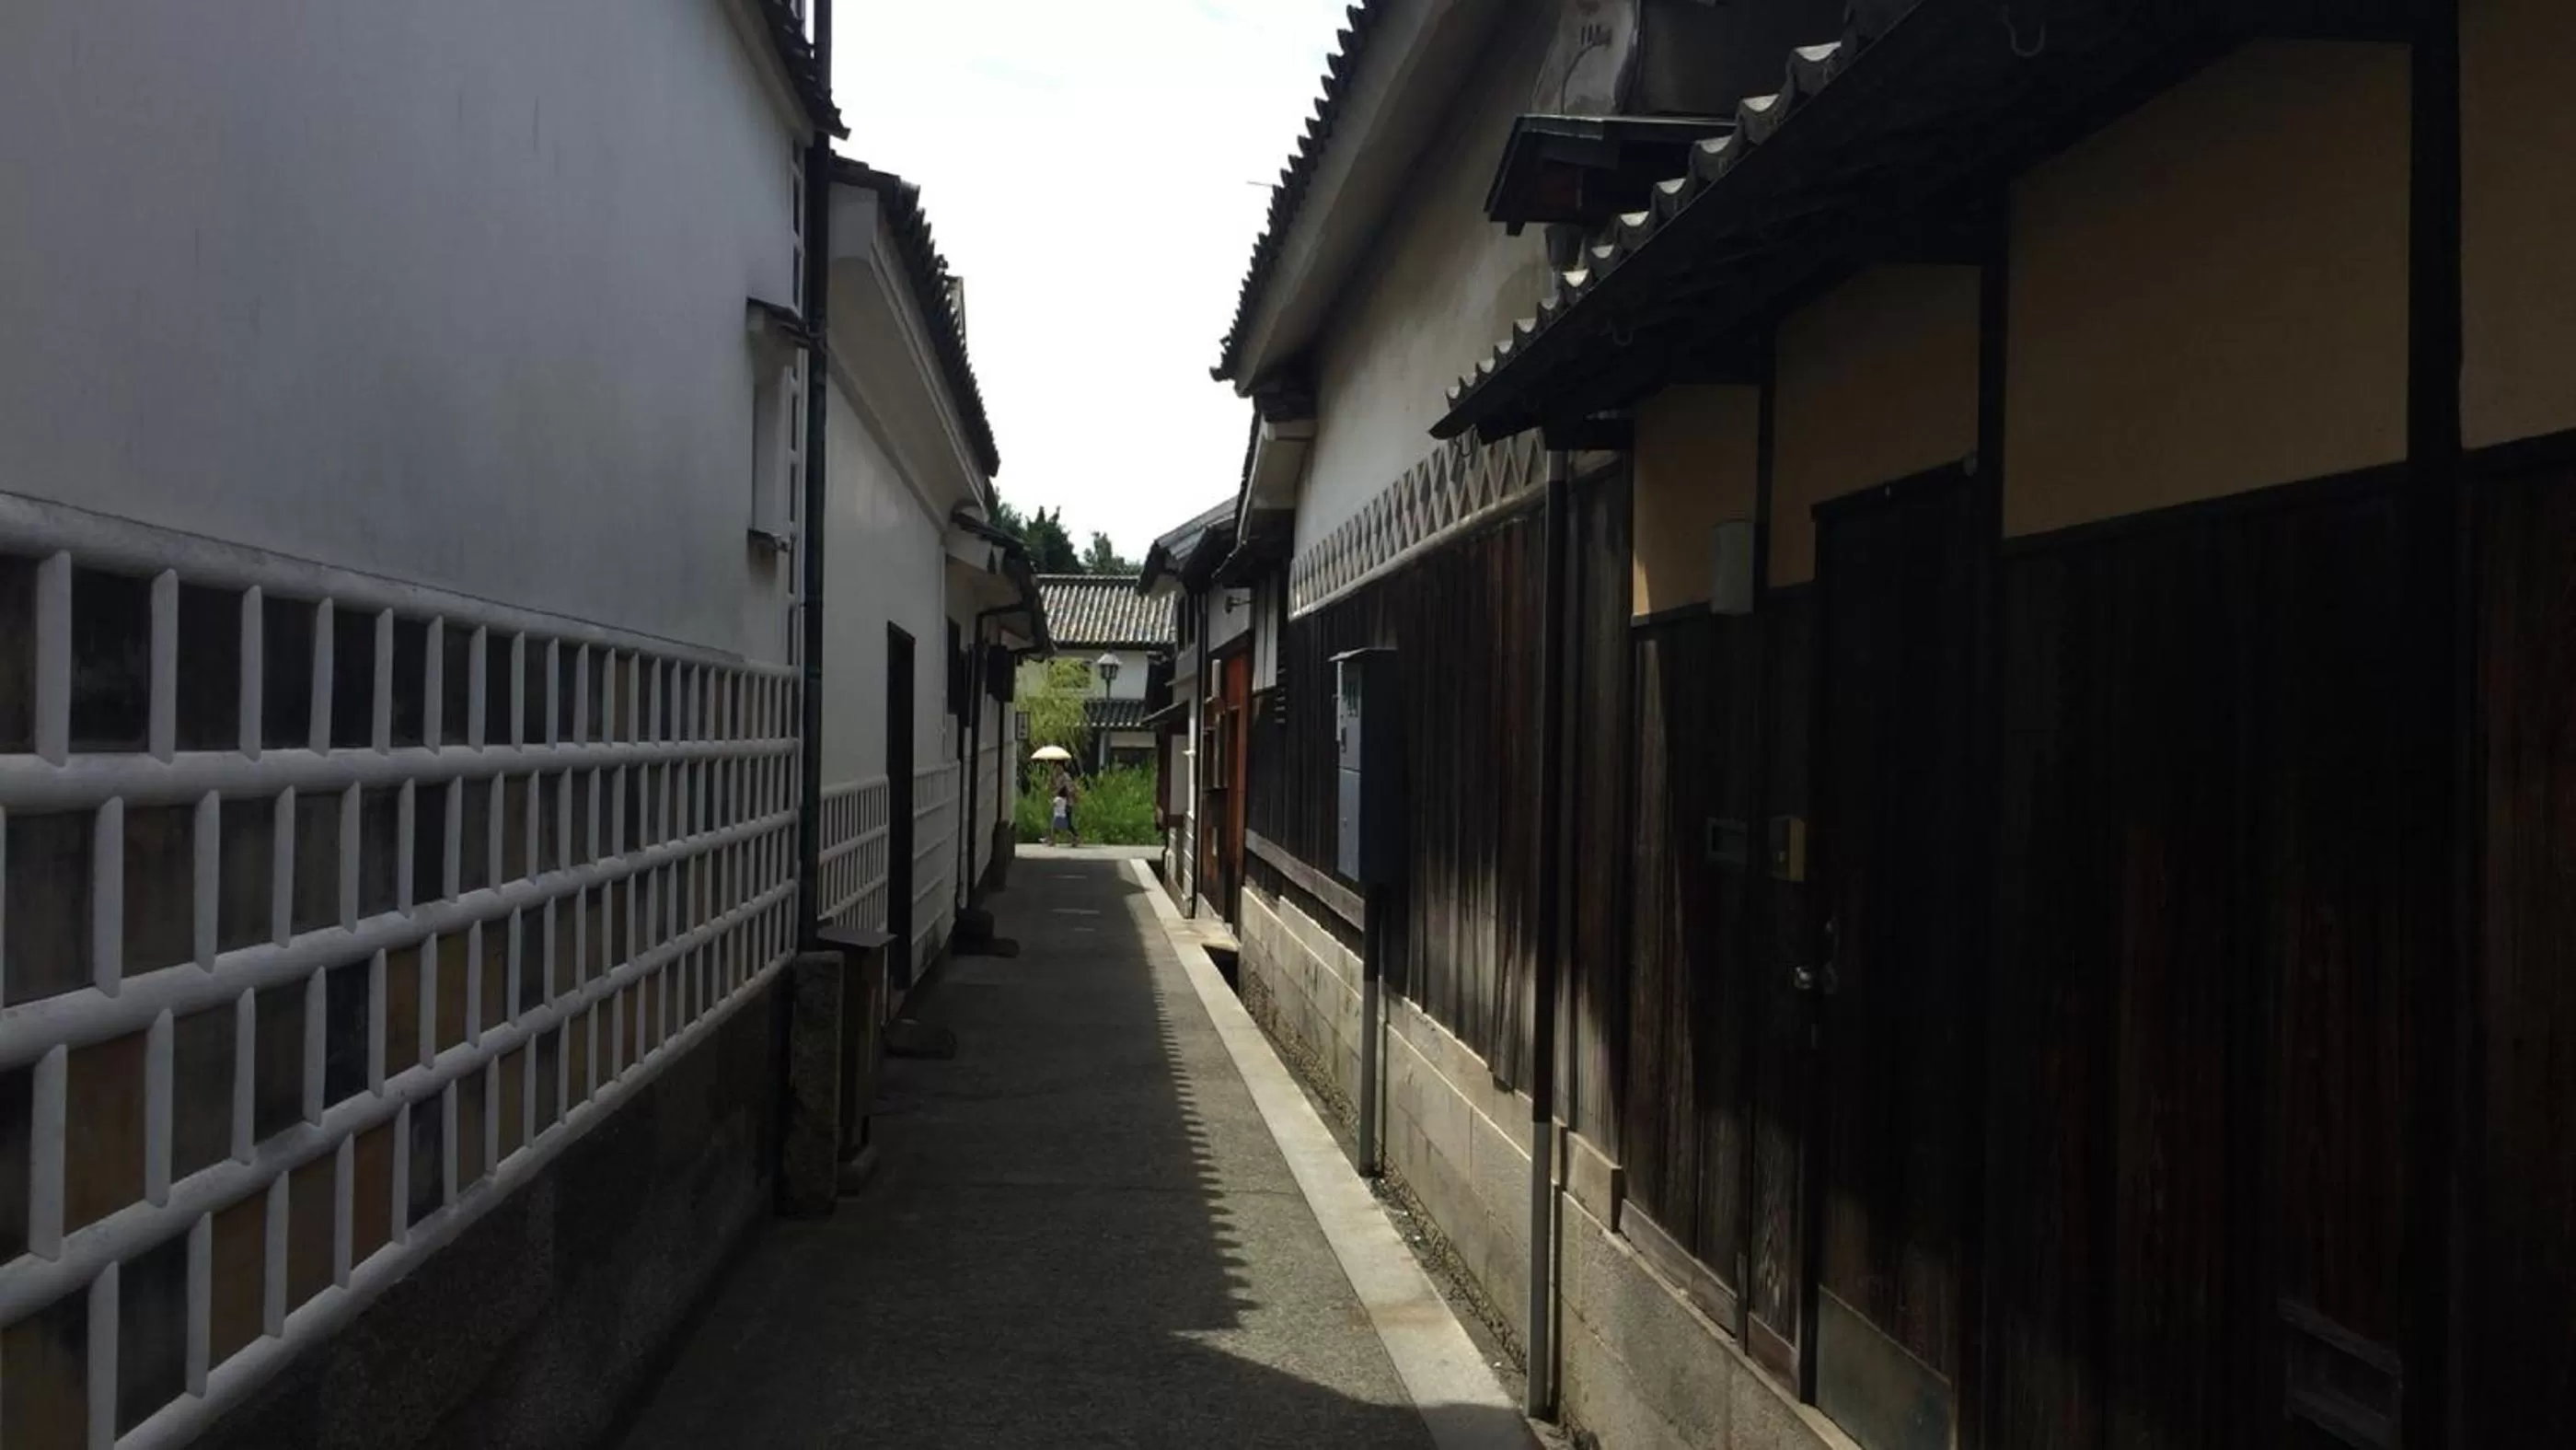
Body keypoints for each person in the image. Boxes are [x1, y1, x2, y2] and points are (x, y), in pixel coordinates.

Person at [1048, 765, 1080, 847]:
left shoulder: (1064, 778)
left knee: (1065, 822)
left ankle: (1076, 837)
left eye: (1057, 769)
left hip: (1065, 803)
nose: (1056, 771)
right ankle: (1053, 839)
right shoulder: (1063, 778)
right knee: (1060, 822)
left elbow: (1064, 790)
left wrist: (1055, 792)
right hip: (1065, 803)